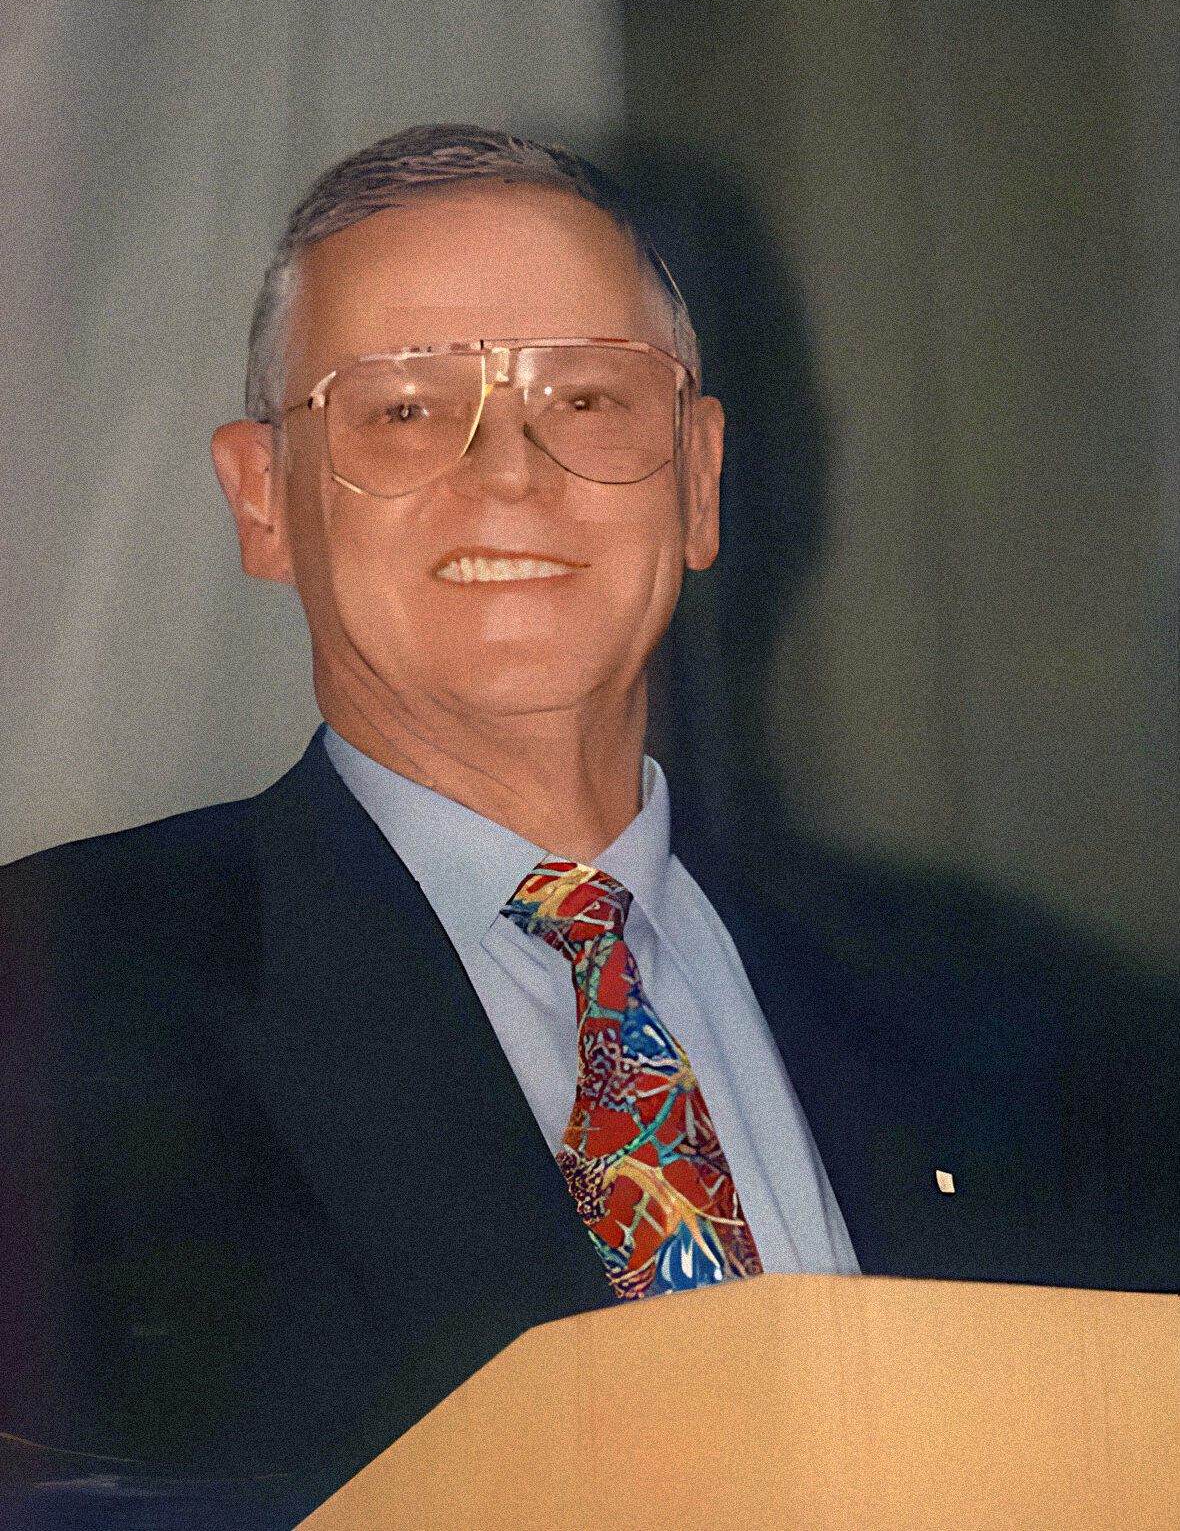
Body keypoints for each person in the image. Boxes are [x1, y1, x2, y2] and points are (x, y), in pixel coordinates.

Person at [2, 125, 1177, 1511]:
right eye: (403, 406)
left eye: (592, 400)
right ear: (265, 499)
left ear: (698, 477)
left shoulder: (1016, 1031)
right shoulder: (55, 1001)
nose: (512, 470)